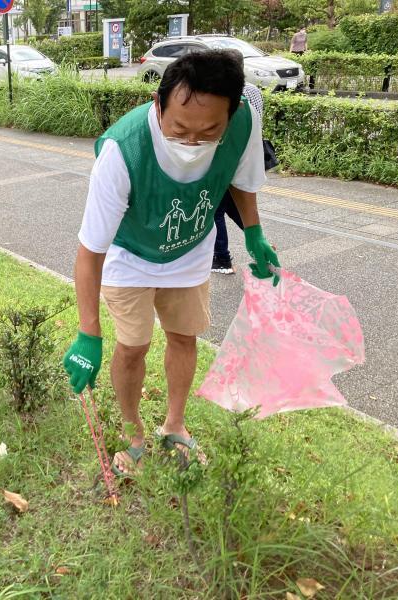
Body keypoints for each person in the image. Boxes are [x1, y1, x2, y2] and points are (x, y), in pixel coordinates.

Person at [62, 51, 280, 475]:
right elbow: (90, 253)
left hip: (191, 252)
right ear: (158, 105)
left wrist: (253, 233)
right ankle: (133, 434)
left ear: (231, 114)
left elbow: (241, 180)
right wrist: (88, 331)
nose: (193, 142)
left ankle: (175, 426)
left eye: (209, 131)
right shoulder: (123, 151)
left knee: (184, 338)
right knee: (133, 347)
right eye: (179, 129)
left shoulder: (243, 126)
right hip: (131, 257)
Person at [212, 72, 266, 274]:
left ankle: (221, 259)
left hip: (226, 160)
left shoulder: (222, 98)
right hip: (246, 152)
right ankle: (258, 241)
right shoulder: (253, 91)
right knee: (233, 206)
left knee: (217, 210)